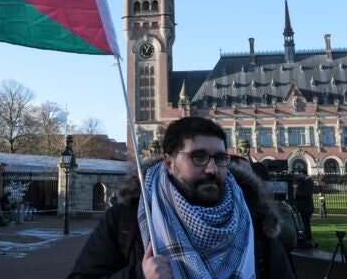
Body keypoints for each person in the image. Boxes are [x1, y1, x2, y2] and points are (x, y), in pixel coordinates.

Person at [68, 116, 294, 278]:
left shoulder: (252, 217)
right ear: (168, 162)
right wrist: (138, 275)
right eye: (198, 157)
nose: (212, 169)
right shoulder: (126, 218)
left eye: (220, 158)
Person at [294, 169, 315, 245]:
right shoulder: (304, 181)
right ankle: (307, 238)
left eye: (300, 174)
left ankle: (308, 238)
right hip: (304, 206)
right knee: (305, 223)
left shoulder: (308, 182)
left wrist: (297, 194)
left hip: (306, 206)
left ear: (304, 174)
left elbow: (307, 194)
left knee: (306, 223)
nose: (299, 176)